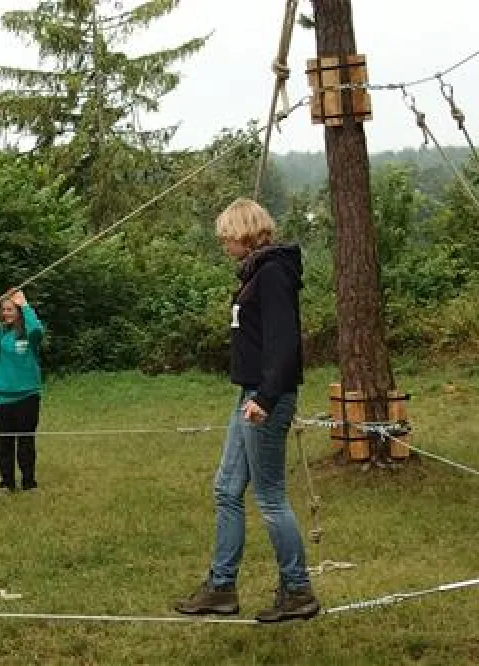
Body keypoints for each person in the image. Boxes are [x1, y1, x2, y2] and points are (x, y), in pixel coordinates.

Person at [174, 198, 319, 623]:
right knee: (226, 488)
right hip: (249, 394)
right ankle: (221, 588)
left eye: (226, 237)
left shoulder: (273, 275)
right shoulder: (255, 274)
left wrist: (266, 399)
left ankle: (297, 591)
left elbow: (284, 343)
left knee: (270, 496)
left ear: (244, 233)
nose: (223, 245)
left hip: (265, 398)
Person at [0, 289, 44, 494]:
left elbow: (37, 331)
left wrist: (25, 305)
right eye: (4, 310)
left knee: (26, 441)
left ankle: (29, 483)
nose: (6, 313)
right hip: (2, 397)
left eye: (11, 309)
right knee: (4, 443)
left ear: (19, 312)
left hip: (27, 395)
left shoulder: (28, 333)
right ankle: (6, 483)